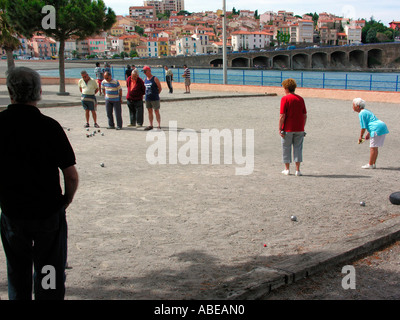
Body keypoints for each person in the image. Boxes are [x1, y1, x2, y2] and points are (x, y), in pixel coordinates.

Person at [0, 67, 79, 300]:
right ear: (39, 92)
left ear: (10, 92)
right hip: (48, 212)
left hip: (13, 212)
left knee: (17, 272)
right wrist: (66, 200)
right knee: (49, 272)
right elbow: (71, 175)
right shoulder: (49, 126)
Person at [278, 78, 307, 176]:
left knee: (286, 148)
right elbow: (304, 115)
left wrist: (280, 128)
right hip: (299, 128)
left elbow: (282, 115)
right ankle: (298, 170)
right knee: (298, 148)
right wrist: (303, 126)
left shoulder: (285, 99)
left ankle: (287, 169)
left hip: (288, 128)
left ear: (286, 88)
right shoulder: (300, 99)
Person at [353, 98, 389, 169]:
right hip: (381, 126)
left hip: (376, 128)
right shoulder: (366, 111)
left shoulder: (361, 113)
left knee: (373, 148)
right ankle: (373, 163)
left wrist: (361, 136)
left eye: (353, 105)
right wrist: (369, 133)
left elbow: (363, 127)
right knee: (375, 148)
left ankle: (370, 164)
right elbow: (372, 121)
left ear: (357, 106)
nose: (352, 106)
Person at [142, 66, 162, 130]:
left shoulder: (155, 78)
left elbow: (160, 88)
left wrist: (156, 94)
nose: (144, 73)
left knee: (156, 111)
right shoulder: (145, 79)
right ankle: (151, 124)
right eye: (144, 72)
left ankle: (158, 125)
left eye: (145, 71)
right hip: (147, 98)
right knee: (149, 111)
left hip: (155, 98)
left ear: (149, 71)